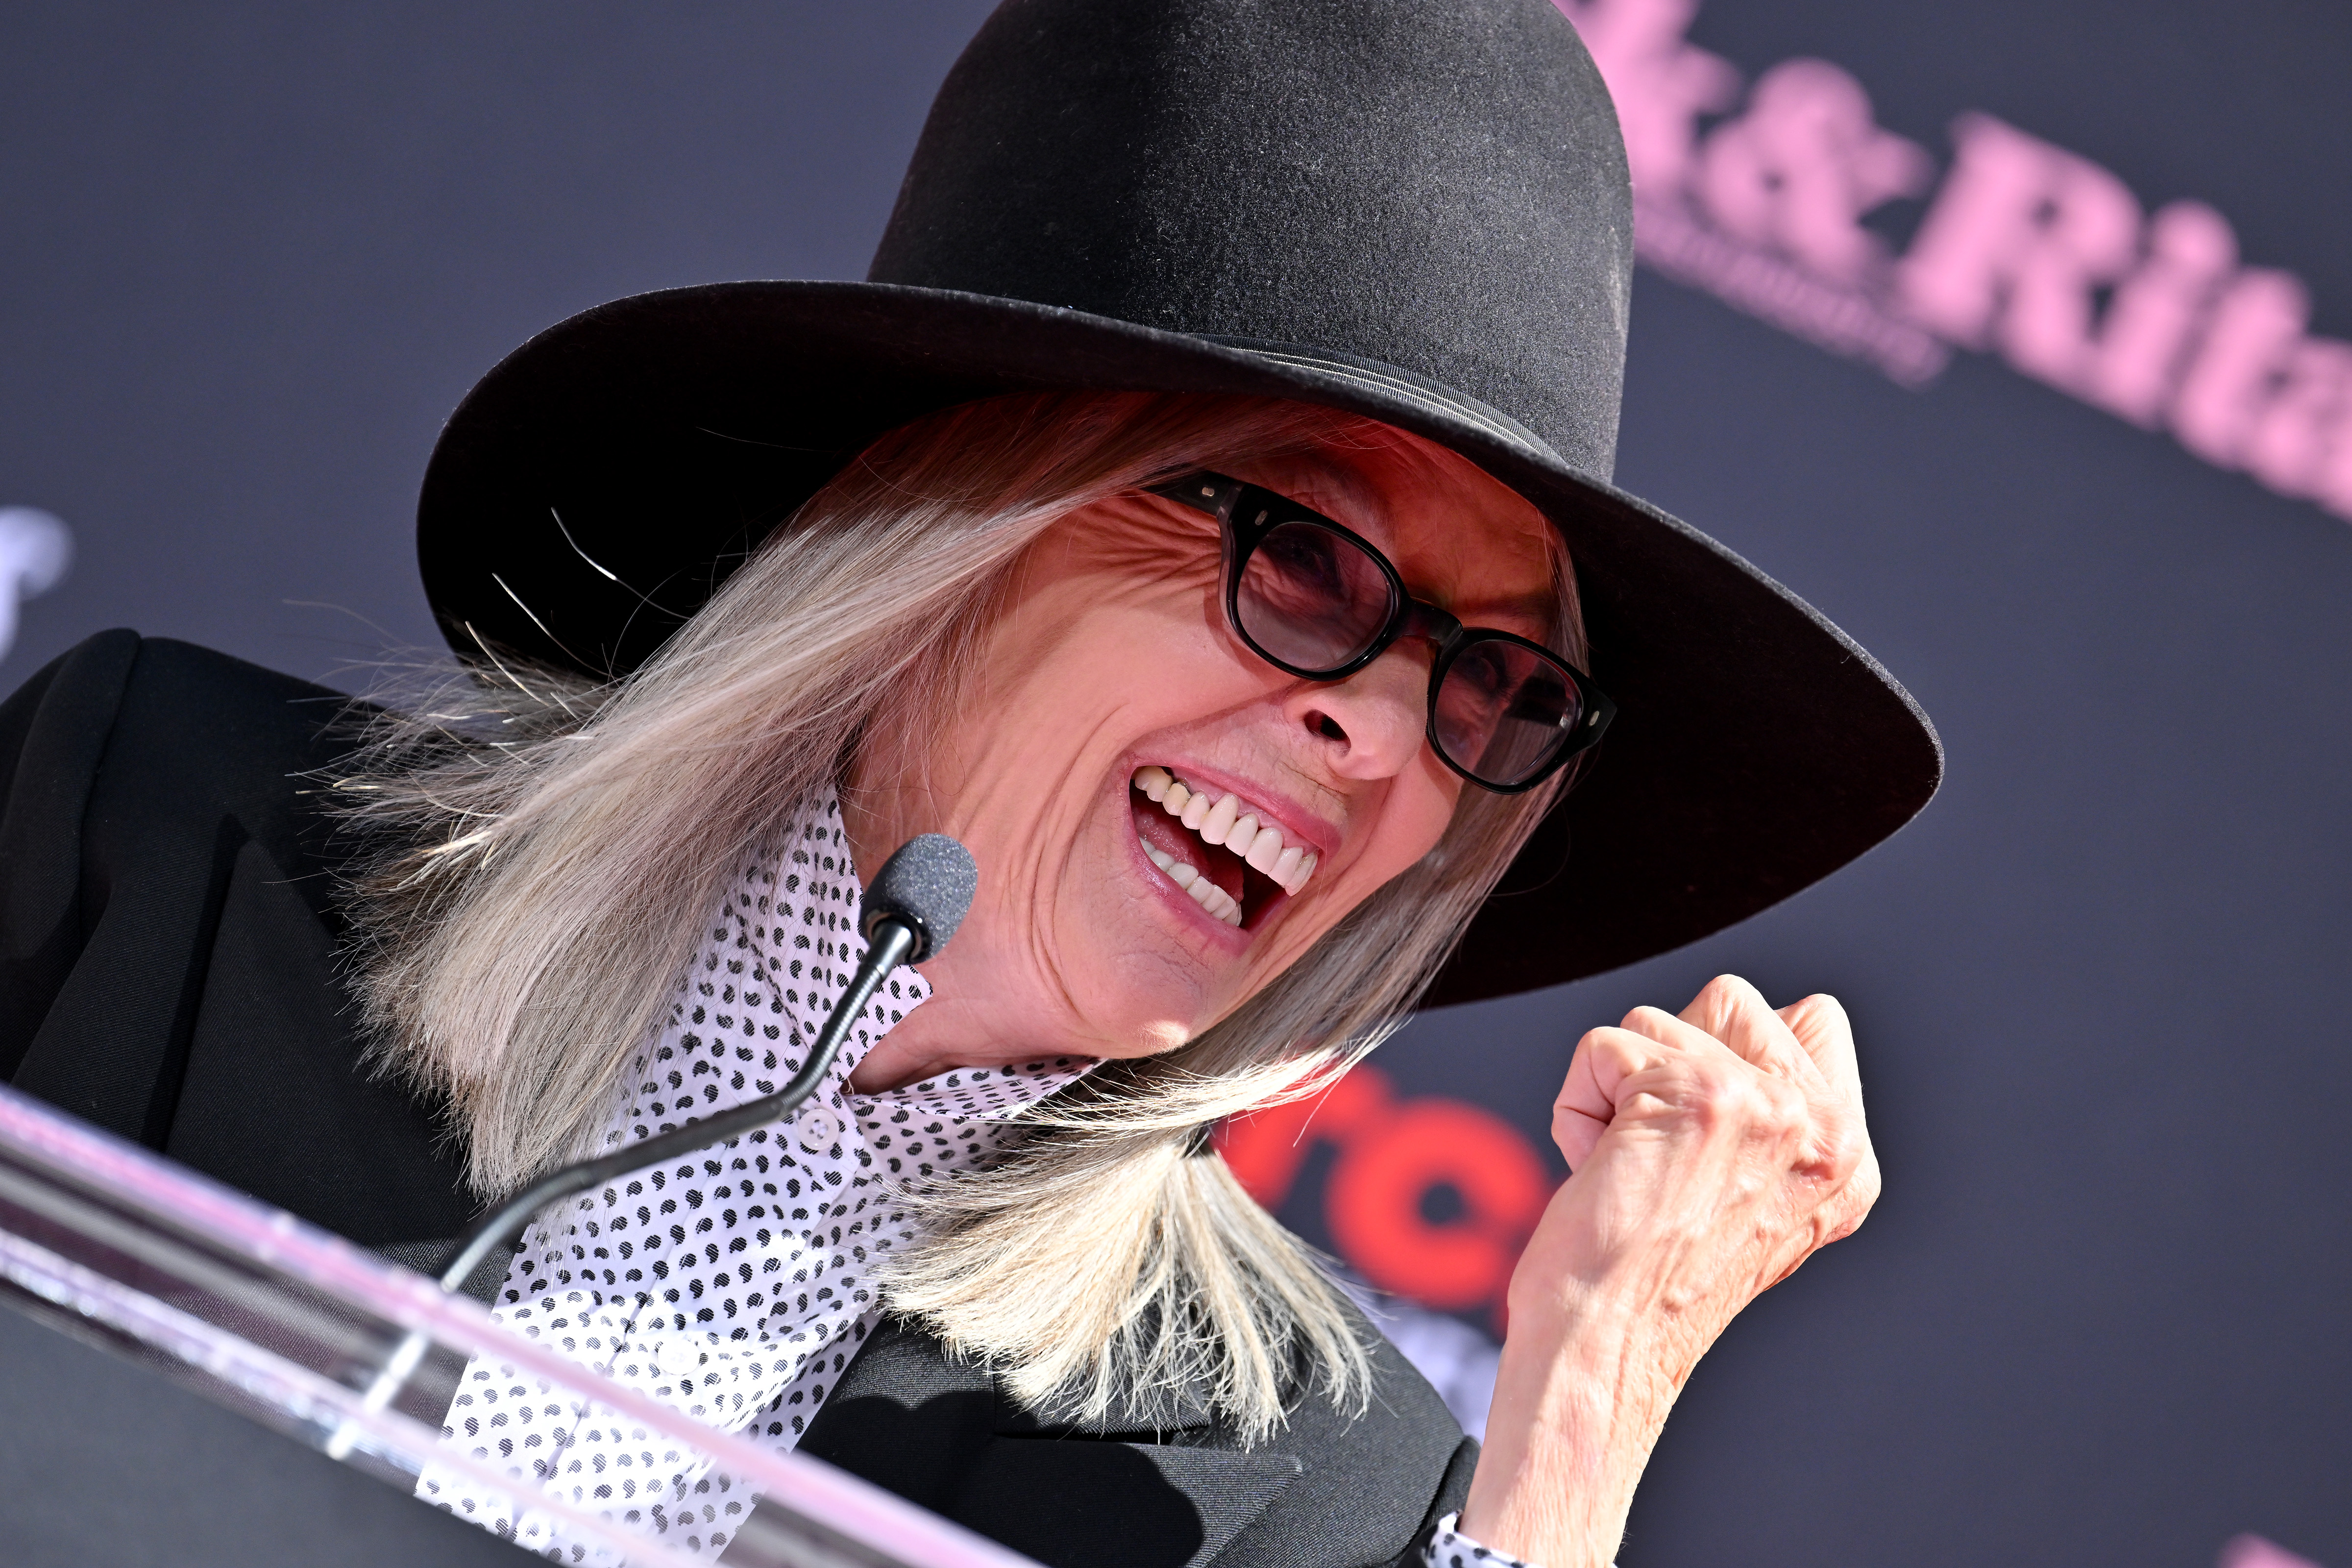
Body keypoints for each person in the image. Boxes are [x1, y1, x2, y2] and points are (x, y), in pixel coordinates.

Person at [0, 3, 1940, 1566]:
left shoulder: (1302, 1482)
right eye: (1308, 564)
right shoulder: (146, 817)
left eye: (1494, 681)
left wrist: (1580, 1410)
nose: (1382, 732)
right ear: (960, 524)